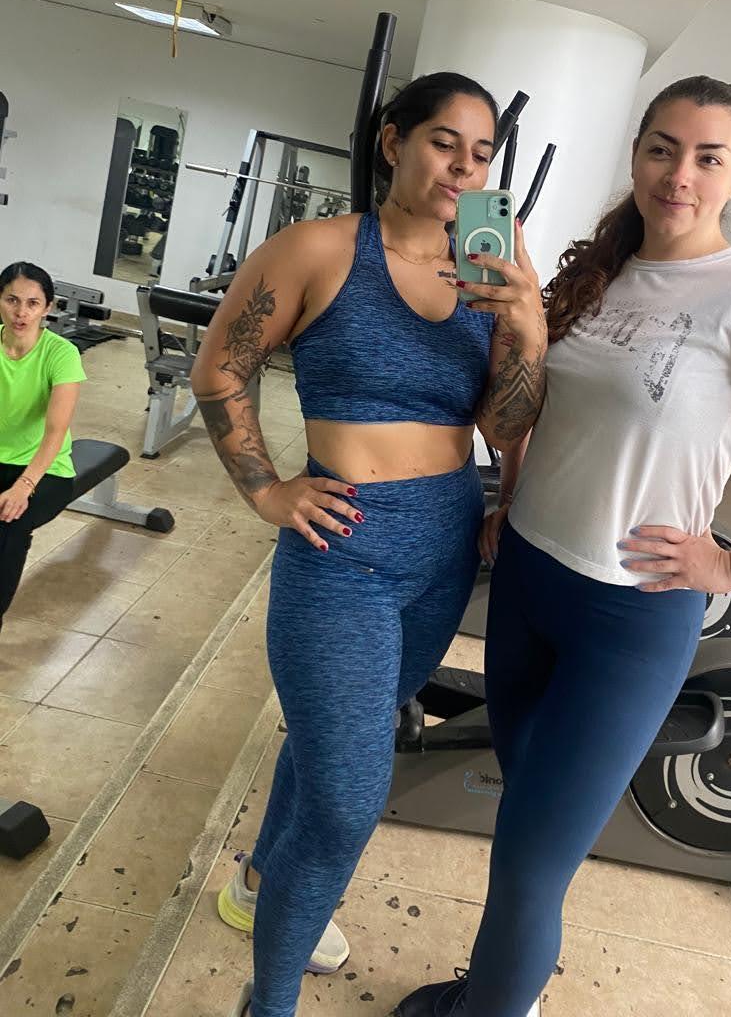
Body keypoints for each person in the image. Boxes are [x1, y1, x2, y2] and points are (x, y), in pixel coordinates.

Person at [392, 75, 731, 1017]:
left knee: (533, 864)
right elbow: (544, 401)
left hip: (629, 619)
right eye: (662, 148)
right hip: (528, 580)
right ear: (637, 154)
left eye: (708, 157)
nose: (679, 174)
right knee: (520, 819)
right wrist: (516, 489)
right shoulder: (603, 271)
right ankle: (502, 993)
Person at [188, 73, 548, 1017]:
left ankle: (260, 882)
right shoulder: (319, 249)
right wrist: (267, 489)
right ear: (395, 143)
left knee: (332, 745)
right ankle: (267, 1005)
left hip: (441, 553)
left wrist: (525, 320)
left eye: (480, 155)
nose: (461, 169)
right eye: (443, 143)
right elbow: (220, 365)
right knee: (348, 803)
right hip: (341, 556)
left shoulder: (491, 265)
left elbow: (505, 425)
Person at [0, 262, 86, 633]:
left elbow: (55, 431)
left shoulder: (61, 354)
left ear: (47, 308)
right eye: (12, 300)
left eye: (33, 303)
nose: (21, 312)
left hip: (44, 469)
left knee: (9, 521)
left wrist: (24, 486)